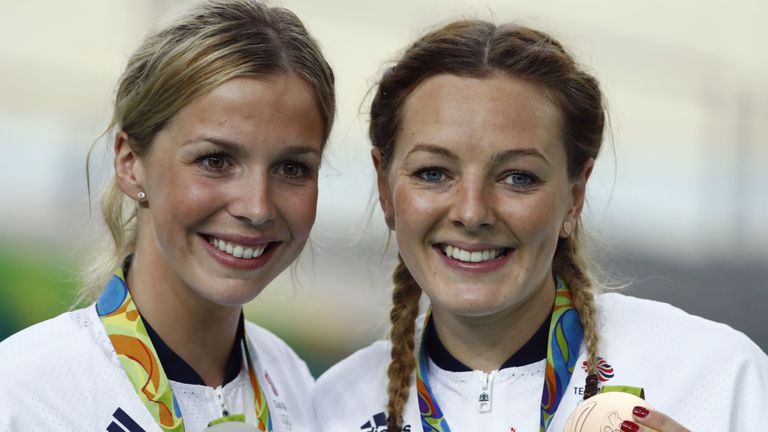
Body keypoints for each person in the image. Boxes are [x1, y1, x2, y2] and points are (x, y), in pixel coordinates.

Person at [313, 19, 768, 432]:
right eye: (434, 172)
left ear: (574, 196)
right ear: (384, 186)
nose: (472, 213)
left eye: (518, 177)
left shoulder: (715, 373)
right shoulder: (327, 410)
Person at [0, 1, 334, 431]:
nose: (256, 207)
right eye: (215, 160)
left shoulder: (296, 388)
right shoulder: (24, 394)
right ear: (129, 161)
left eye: (292, 168)